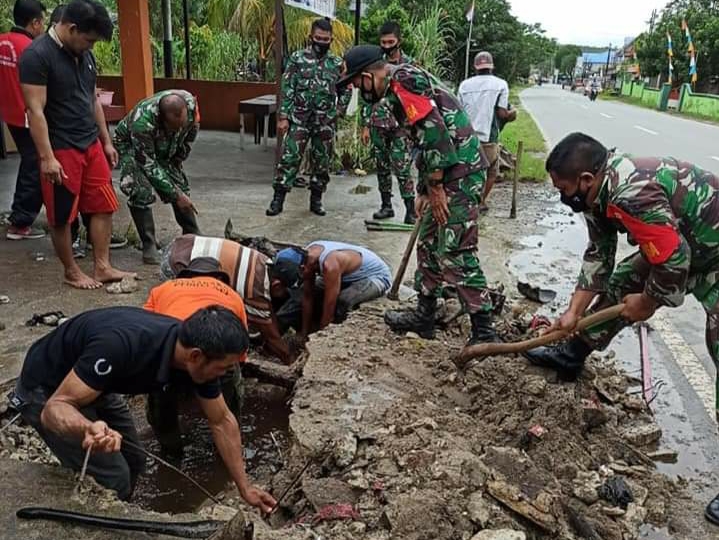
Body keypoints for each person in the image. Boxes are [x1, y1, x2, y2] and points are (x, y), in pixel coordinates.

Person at [517, 132, 719, 525]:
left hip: (712, 249)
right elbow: (598, 254)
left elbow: (674, 258)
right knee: (623, 281)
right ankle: (572, 354)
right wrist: (574, 312)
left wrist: (648, 302)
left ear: (587, 179)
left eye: (563, 188)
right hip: (687, 244)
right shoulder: (597, 195)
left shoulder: (630, 194)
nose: (562, 195)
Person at [12, 305, 276, 511]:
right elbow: (53, 409)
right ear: (196, 356)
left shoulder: (197, 360)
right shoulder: (121, 345)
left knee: (136, 461)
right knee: (115, 476)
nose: (226, 374)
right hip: (46, 388)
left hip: (99, 386)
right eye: (224, 368)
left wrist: (245, 487)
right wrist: (87, 428)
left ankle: (121, 508)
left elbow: (221, 421)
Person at [339, 45, 498, 346]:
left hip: (460, 172)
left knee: (456, 250)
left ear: (369, 74)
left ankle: (484, 329)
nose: (358, 90)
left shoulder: (404, 80)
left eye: (357, 83)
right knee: (427, 243)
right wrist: (427, 187)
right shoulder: (396, 86)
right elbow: (421, 139)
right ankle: (425, 315)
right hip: (443, 172)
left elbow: (434, 131)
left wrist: (436, 187)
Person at [19, 0, 133, 289]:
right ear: (71, 28)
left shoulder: (84, 56)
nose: (91, 46)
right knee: (62, 215)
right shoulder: (37, 56)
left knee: (103, 204)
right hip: (60, 147)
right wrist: (46, 158)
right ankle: (71, 271)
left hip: (89, 143)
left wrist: (105, 141)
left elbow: (92, 99)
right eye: (89, 40)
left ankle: (103, 266)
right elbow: (35, 111)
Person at [144, 257, 248, 455]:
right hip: (217, 355)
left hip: (172, 354)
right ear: (219, 277)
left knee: (162, 404)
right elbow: (239, 349)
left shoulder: (163, 288)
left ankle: (171, 451)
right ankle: (227, 451)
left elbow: (149, 329)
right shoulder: (233, 295)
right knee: (227, 407)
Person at [161, 234, 303, 364]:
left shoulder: (264, 261)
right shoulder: (253, 289)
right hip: (177, 263)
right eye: (286, 293)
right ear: (277, 286)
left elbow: (266, 313)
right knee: (193, 309)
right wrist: (289, 359)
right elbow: (271, 336)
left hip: (184, 243)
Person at [266, 18, 351, 217]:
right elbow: (288, 88)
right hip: (299, 119)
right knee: (289, 159)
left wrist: (338, 110)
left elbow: (346, 88)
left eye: (326, 39)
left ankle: (317, 200)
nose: (321, 42)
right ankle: (278, 200)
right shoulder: (297, 59)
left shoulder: (337, 63)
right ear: (310, 37)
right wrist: (284, 116)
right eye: (318, 38)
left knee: (322, 162)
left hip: (325, 122)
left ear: (331, 40)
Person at [114, 90, 201, 264]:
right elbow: (147, 163)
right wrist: (175, 194)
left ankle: (193, 235)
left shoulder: (190, 105)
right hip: (132, 147)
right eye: (175, 126)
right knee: (139, 189)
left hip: (166, 145)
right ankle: (149, 244)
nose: (180, 129)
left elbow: (192, 131)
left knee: (180, 184)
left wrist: (178, 159)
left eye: (182, 125)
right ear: (162, 119)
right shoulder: (142, 122)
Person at [361, 21, 416, 224]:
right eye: (383, 42)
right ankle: (386, 206)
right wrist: (365, 125)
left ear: (399, 41)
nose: (387, 45)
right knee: (382, 166)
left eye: (390, 41)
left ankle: (410, 209)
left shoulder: (409, 65)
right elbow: (366, 96)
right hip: (378, 123)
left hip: (401, 125)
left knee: (402, 168)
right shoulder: (375, 64)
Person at [0, 0, 46, 240]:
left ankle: (19, 215)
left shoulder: (2, 42)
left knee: (29, 163)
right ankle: (20, 222)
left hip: (9, 114)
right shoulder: (31, 48)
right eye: (42, 22)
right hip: (28, 115)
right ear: (35, 22)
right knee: (36, 165)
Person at [458, 51, 517, 214]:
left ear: (475, 67)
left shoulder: (464, 85)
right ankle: (480, 201)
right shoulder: (500, 84)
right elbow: (502, 113)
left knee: (468, 171)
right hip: (488, 138)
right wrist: (514, 113)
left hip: (466, 137)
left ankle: (467, 200)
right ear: (492, 67)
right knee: (491, 171)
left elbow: (459, 111)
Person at [295, 241, 392, 338]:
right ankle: (311, 326)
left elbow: (330, 302)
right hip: (346, 274)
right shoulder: (306, 256)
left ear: (303, 268)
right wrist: (304, 332)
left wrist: (322, 333)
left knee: (343, 300)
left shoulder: (330, 265)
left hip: (375, 277)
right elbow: (307, 295)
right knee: (305, 289)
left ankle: (336, 333)